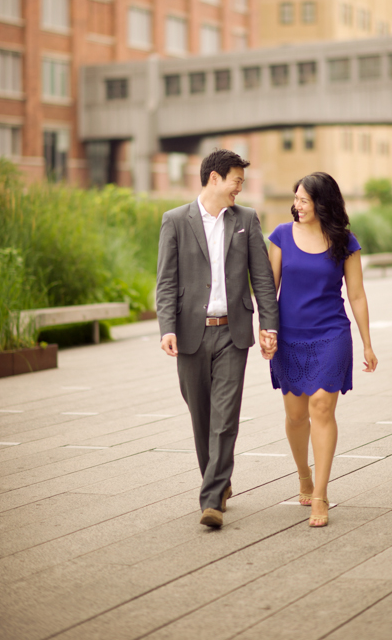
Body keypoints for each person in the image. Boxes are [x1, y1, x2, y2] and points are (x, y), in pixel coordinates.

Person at [156, 149, 279, 529]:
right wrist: (167, 327)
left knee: (225, 417)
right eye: (235, 181)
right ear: (214, 178)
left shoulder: (246, 220)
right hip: (191, 334)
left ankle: (211, 499)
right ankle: (218, 480)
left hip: (232, 331)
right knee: (202, 418)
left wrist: (269, 325)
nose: (239, 189)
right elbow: (166, 282)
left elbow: (261, 277)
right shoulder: (175, 221)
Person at [265, 172, 378, 527]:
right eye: (295, 199)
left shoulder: (345, 241)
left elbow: (357, 295)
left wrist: (367, 343)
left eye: (303, 200)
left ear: (321, 203)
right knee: (297, 415)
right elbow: (270, 289)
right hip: (289, 337)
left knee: (321, 409)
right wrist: (266, 330)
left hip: (331, 333)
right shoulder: (282, 236)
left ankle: (321, 495)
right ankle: (303, 474)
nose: (296, 206)